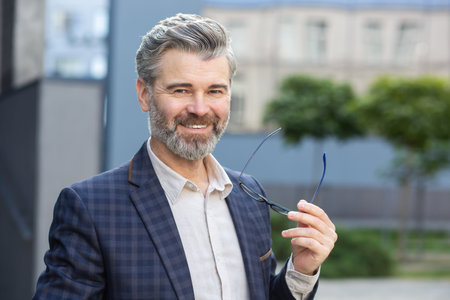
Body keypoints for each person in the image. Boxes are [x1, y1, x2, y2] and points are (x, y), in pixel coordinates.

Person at [33, 13, 337, 300]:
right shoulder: (91, 207)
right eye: (181, 90)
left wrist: (300, 270)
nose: (200, 108)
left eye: (215, 91)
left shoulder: (249, 196)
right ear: (144, 94)